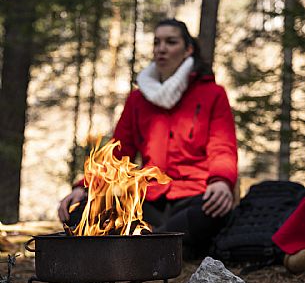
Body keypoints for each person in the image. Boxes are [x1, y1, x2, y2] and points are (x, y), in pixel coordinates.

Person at [58, 18, 238, 258]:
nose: (161, 48)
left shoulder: (212, 94)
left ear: (188, 49)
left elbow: (222, 145)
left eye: (170, 42)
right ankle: (165, 243)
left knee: (215, 211)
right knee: (80, 210)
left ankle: (144, 243)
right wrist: (86, 187)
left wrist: (221, 181)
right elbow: (118, 151)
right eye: (157, 42)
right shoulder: (138, 99)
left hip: (194, 198)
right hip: (148, 199)